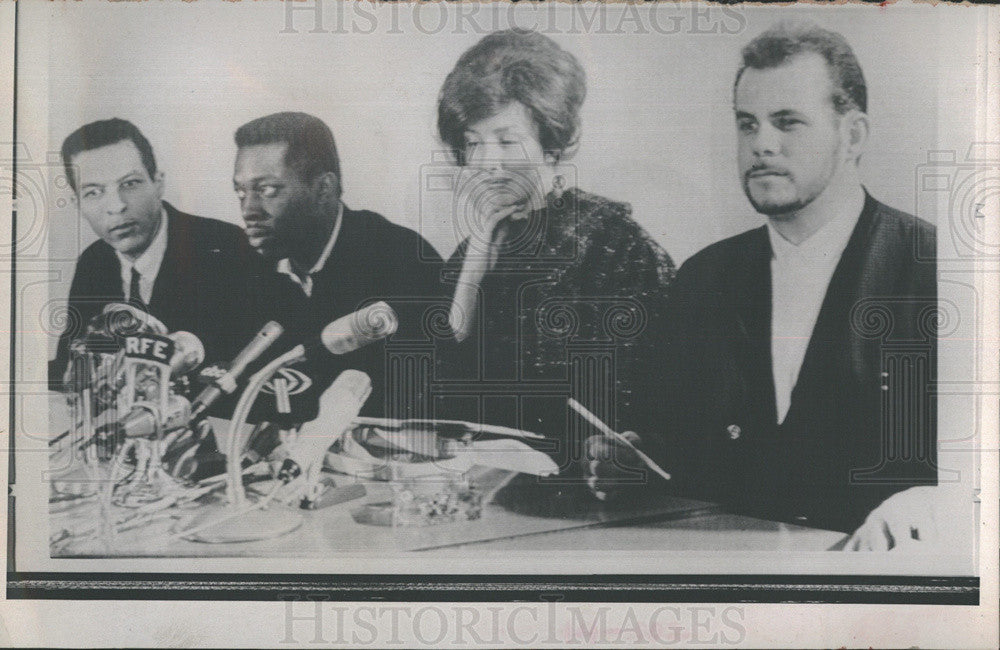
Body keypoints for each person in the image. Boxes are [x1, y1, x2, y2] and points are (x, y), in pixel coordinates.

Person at [587, 22, 940, 540]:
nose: (762, 145)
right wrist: (632, 464)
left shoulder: (935, 270)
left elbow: (980, 473)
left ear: (854, 135)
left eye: (787, 122)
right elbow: (673, 446)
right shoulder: (704, 279)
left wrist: (930, 509)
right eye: (747, 125)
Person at [434, 30, 675, 474]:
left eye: (507, 141)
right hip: (481, 484)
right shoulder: (472, 249)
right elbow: (443, 386)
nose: (487, 163)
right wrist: (474, 264)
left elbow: (646, 404)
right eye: (473, 142)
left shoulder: (614, 243)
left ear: (551, 144)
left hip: (588, 489)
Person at [232, 112, 444, 419]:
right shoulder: (248, 269)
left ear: (324, 189)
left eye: (267, 190)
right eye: (241, 192)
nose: (248, 210)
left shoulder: (402, 260)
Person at [50, 118, 261, 388]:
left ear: (158, 183)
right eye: (93, 192)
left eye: (130, 184)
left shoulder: (229, 247)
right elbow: (70, 370)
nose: (116, 206)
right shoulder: (94, 262)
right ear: (77, 203)